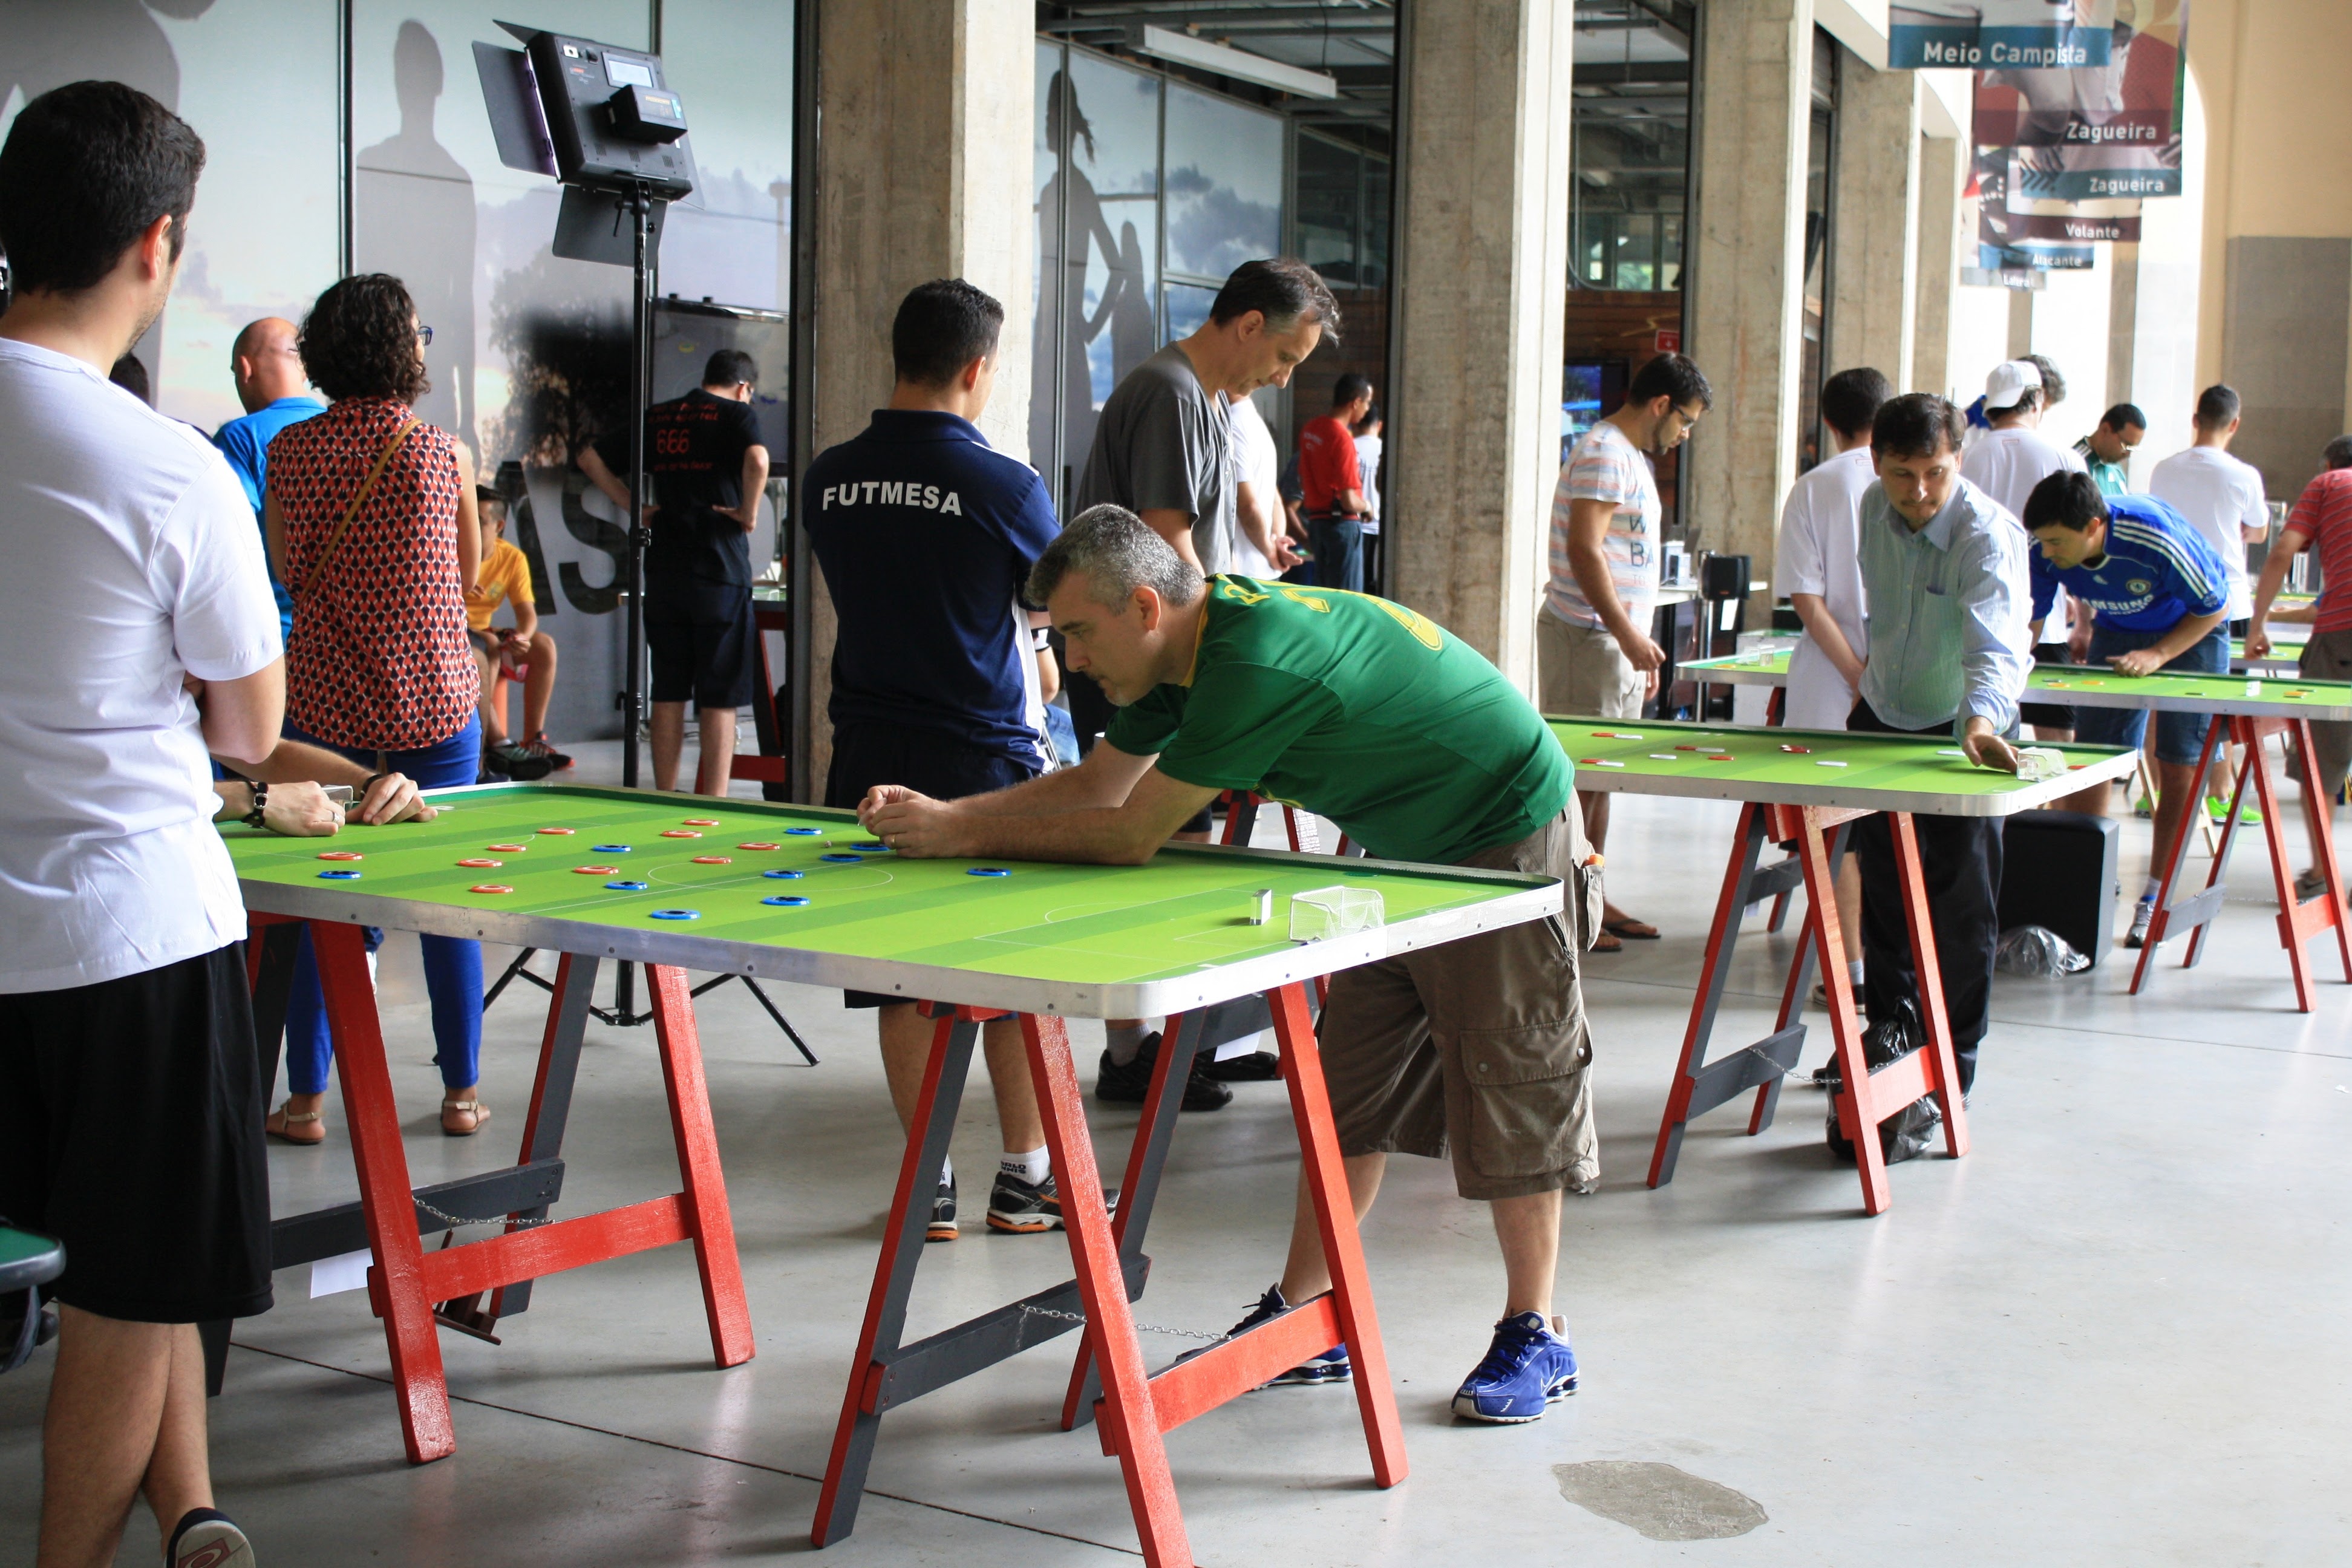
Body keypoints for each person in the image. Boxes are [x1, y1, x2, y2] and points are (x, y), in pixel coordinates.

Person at [860, 505, 1598, 1425]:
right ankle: (1306, 1318)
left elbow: (1130, 834)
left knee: (1511, 1082)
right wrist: (949, 814)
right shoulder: (1184, 659)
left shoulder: (1251, 659)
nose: (1074, 661)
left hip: (1505, 836)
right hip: (1402, 854)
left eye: (1081, 634)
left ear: (1143, 607)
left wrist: (953, 832)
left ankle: (1538, 1330)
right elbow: (1097, 785)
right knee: (1347, 1094)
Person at [0, 80, 282, 1568]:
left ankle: (192, 1509)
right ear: (157, 247)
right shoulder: (167, 465)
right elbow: (244, 729)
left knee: (130, 1260)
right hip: (131, 934)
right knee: (133, 1279)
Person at [803, 279, 1077, 1240]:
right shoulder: (1008, 486)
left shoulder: (829, 476)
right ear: (977, 369)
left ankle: (932, 1185)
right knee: (1016, 975)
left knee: (898, 976)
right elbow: (1056, 607)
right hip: (987, 759)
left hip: (868, 754)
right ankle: (1029, 1176)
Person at [1067, 256, 1339, 1100]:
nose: (1284, 376)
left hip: (1177, 658)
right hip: (1143, 659)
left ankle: (1178, 1042)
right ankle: (1132, 1054)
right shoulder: (1174, 392)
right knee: (1143, 844)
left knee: (1182, 850)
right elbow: (1168, 550)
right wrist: (1244, 646)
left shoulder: (1206, 401)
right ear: (1250, 323)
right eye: (1287, 357)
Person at [266, 271, 489, 1144]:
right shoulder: (443, 453)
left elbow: (287, 571)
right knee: (451, 904)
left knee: (323, 904)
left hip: (324, 711)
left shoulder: (290, 453)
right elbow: (469, 579)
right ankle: (462, 1095)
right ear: (403, 350)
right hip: (434, 709)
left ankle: (307, 1101)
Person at [1852, 394, 2033, 1098]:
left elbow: (1998, 647)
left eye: (1935, 472)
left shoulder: (1988, 536)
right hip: (1883, 715)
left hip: (1967, 732)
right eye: (1902, 474)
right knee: (1885, 893)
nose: (1919, 492)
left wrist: (1982, 723)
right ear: (1878, 463)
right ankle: (1892, 1035)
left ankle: (1954, 1065)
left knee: (1962, 904)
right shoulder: (1871, 507)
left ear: (1959, 460)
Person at [1539, 350, 1711, 951]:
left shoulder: (1624, 455)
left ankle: (1591, 899)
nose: (1685, 434)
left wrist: (1635, 645)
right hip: (1589, 637)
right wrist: (1630, 637)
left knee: (1599, 781)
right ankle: (1567, 910)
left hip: (1608, 642)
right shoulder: (1607, 454)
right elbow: (1586, 552)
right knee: (1580, 780)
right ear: (1660, 405)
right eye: (1685, 420)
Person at [2022, 474, 2230, 947]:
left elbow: (2214, 607)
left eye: (2057, 542)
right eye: (2043, 541)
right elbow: (2031, 621)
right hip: (2118, 629)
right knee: (2097, 760)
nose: (2048, 552)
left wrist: (2158, 655)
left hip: (2192, 628)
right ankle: (2085, 876)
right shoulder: (2045, 550)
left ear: (2095, 526)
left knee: (2178, 763)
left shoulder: (2152, 536)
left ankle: (2156, 896)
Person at [579, 349, 771, 796]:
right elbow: (758, 462)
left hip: (665, 569)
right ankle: (715, 800)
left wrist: (634, 507)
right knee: (719, 695)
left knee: (668, 689)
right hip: (719, 569)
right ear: (744, 388)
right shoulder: (737, 416)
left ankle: (664, 796)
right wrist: (748, 511)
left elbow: (590, 458)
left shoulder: (661, 416)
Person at [1771, 365, 1890, 1001]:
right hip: (1899, 678)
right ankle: (1887, 956)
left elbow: (1808, 600)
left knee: (1832, 827)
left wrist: (1852, 674)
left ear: (1831, 422)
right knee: (1889, 825)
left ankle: (1846, 970)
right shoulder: (1911, 481)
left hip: (1829, 675)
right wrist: (1878, 676)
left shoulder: (1815, 487)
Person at [2247, 434, 2352, 901]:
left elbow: (2282, 551)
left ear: (2330, 462)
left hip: (2342, 640)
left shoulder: (2328, 485)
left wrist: (2258, 623)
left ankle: (2322, 870)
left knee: (2321, 762)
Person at [1962, 358, 2086, 742]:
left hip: (1976, 618)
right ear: (2037, 401)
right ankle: (2046, 804)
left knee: (1981, 729)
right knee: (2057, 738)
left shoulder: (1966, 458)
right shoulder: (2065, 458)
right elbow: (2084, 541)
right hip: (2045, 621)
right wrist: (2083, 615)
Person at [212, 315, 324, 643]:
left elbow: (225, 544)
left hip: (269, 638)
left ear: (244, 369)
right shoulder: (341, 433)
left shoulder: (241, 438)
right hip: (337, 648)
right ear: (303, 370)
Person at [2147, 385, 2270, 630]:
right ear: (2235, 424)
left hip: (2174, 598)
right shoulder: (2244, 475)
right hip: (2229, 597)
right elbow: (2259, 533)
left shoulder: (2163, 469)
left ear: (2195, 420)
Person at [466, 486, 566, 777]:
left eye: (480, 520)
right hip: (450, 631)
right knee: (489, 644)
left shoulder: (512, 558)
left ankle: (533, 740)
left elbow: (527, 614)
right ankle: (491, 748)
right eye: (466, 516)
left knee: (543, 645)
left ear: (498, 527)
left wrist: (521, 637)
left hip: (484, 631)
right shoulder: (446, 548)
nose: (469, 525)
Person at [1298, 373, 1374, 593]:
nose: (1368, 409)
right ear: (1356, 402)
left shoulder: (1310, 430)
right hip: (1341, 525)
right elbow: (1350, 501)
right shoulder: (1342, 438)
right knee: (1348, 602)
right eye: (1367, 403)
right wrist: (1368, 507)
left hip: (1317, 525)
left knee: (1325, 598)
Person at [1224, 388, 1300, 579]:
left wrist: (1270, 550)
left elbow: (1248, 506)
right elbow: (1275, 498)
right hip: (1265, 569)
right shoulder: (1258, 424)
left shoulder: (1234, 426)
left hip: (1244, 571)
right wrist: (1276, 540)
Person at [2074, 401, 2146, 498]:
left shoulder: (2116, 469)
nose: (2128, 454)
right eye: (2126, 445)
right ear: (2105, 430)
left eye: (2132, 448)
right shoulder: (2076, 463)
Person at [1352, 402, 1385, 593]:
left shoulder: (1351, 448)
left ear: (1355, 423)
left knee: (1358, 589)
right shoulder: (1387, 450)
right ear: (1380, 425)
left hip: (1356, 526)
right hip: (1382, 529)